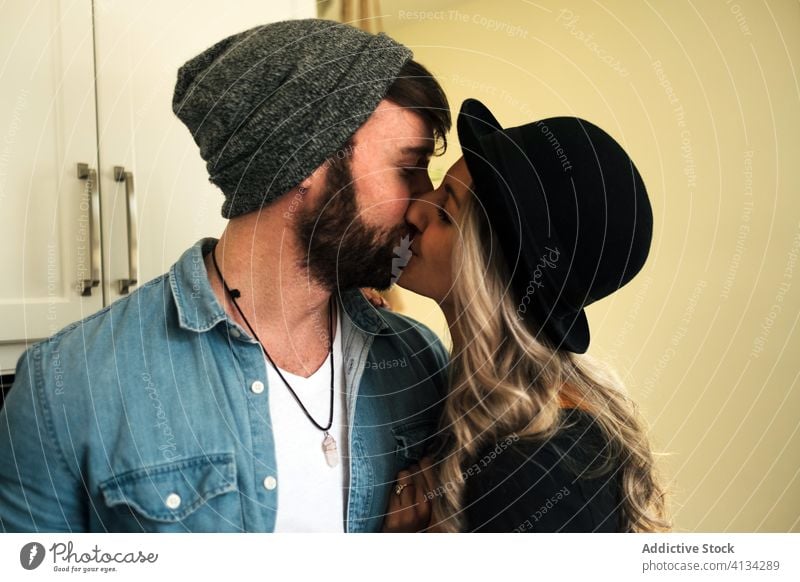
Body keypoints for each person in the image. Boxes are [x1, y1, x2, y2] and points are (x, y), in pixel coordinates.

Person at [0, 19, 452, 532]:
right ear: (305, 159)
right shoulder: (68, 385)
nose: (425, 201)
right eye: (408, 167)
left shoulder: (417, 362)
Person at [381, 99, 670, 533]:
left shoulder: (534, 465)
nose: (415, 210)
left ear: (492, 267)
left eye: (445, 212)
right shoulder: (487, 411)